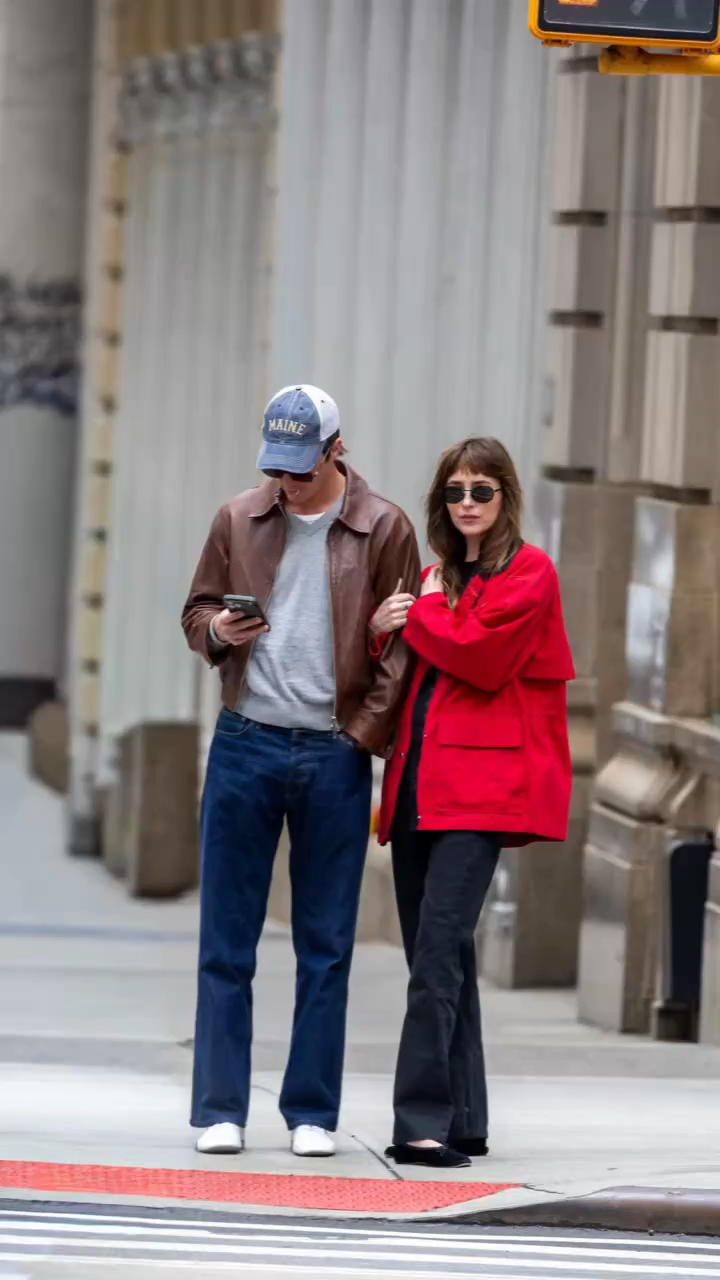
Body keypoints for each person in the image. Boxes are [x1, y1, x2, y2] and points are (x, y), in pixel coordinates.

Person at [182, 385, 420, 1158]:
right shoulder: (238, 517)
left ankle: (311, 1110)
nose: (285, 484)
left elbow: (405, 645)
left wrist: (360, 736)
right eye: (276, 469)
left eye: (300, 469)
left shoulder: (385, 527)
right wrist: (219, 627)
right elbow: (195, 612)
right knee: (227, 938)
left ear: (335, 450)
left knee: (326, 943)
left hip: (332, 751)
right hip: (245, 741)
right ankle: (220, 1107)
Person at [369, 436, 574, 1169]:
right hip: (419, 788)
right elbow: (403, 660)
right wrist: (382, 626)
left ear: (505, 498)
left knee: (433, 960)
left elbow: (482, 659)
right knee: (445, 954)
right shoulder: (435, 579)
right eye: (455, 492)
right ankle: (466, 1119)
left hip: (479, 796)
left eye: (481, 491)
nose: (467, 504)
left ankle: (420, 1123)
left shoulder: (530, 573)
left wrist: (417, 616)